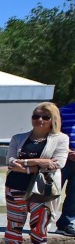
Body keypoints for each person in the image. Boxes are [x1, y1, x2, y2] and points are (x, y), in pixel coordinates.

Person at [0, 102, 69, 244]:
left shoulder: (61, 139)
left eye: (45, 117)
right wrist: (39, 162)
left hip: (42, 190)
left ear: (53, 119)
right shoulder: (18, 138)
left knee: (39, 227)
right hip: (15, 186)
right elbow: (10, 162)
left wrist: (25, 163)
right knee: (14, 225)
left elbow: (57, 164)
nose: (40, 120)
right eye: (36, 116)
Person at [55, 101, 75, 236]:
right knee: (51, 192)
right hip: (62, 158)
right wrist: (67, 151)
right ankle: (41, 223)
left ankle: (66, 224)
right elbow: (54, 133)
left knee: (74, 195)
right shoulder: (62, 111)